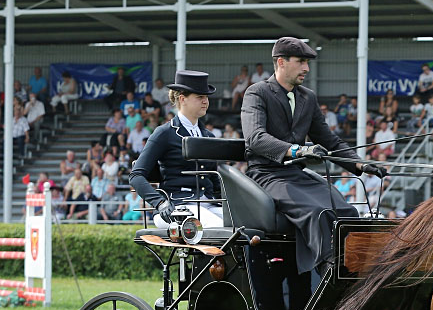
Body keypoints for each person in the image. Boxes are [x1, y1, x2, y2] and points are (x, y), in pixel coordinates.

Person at [240, 36, 384, 274]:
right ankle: (328, 273)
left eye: (307, 62)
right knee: (317, 213)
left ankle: (357, 271)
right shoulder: (257, 93)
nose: (306, 68)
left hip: (296, 175)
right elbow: (255, 138)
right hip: (266, 174)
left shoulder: (308, 97)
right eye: (301, 62)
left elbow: (329, 140)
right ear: (281, 62)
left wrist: (360, 165)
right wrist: (297, 150)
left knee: (349, 212)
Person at [129, 70, 224, 229]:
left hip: (208, 203)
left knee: (245, 224)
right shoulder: (164, 133)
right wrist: (159, 203)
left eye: (206, 97)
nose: (205, 101)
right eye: (200, 97)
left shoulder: (209, 136)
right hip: (176, 206)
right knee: (220, 226)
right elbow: (136, 175)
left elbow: (213, 180)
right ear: (182, 99)